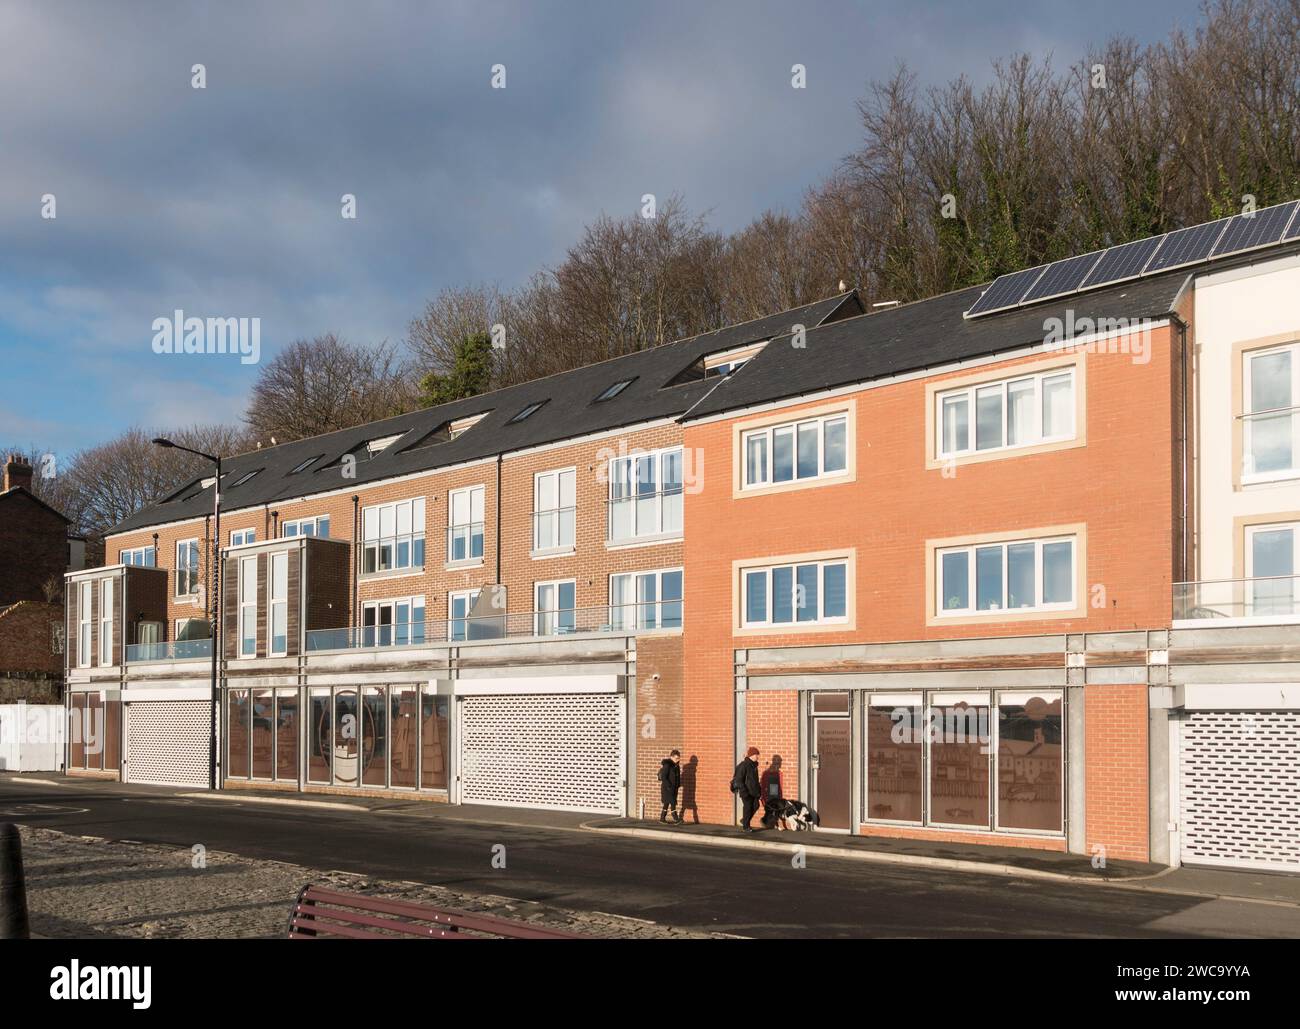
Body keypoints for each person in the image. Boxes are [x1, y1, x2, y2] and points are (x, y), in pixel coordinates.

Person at [731, 746, 762, 832]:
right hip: (746, 792)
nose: (758, 757)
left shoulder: (754, 766)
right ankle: (746, 826)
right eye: (756, 755)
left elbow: (755, 780)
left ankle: (744, 820)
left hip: (754, 791)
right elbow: (738, 780)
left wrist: (759, 792)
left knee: (756, 806)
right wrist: (744, 792)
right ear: (751, 755)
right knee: (748, 808)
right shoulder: (744, 765)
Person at [657, 749, 683, 823]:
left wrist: (678, 785)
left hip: (674, 788)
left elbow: (677, 777)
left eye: (678, 758)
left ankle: (662, 818)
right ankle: (676, 819)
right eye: (676, 758)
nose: (677, 760)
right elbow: (664, 777)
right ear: (671, 757)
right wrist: (669, 786)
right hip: (667, 788)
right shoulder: (667, 765)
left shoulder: (676, 765)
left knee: (666, 803)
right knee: (673, 803)